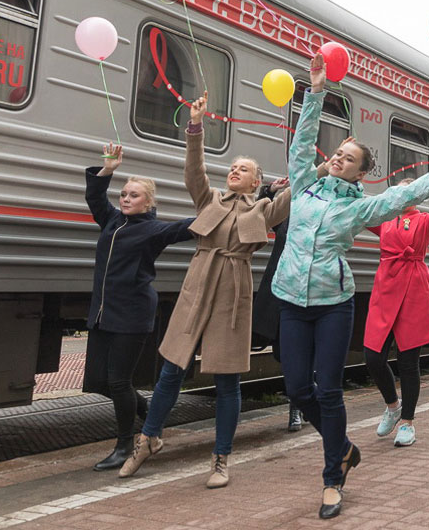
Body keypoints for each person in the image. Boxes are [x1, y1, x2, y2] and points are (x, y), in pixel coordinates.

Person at [272, 52, 429, 520]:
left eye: (349, 159)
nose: (337, 158)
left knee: (328, 391)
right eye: (338, 153)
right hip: (291, 301)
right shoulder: (304, 185)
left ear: (360, 173)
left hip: (333, 304)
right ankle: (343, 447)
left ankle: (333, 478)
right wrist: (315, 91)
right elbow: (302, 145)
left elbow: (410, 193)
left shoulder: (361, 208)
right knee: (297, 389)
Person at [119, 92, 291, 489]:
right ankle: (148, 440)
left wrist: (318, 167)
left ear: (256, 180)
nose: (234, 171)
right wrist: (195, 127)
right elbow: (193, 171)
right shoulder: (208, 198)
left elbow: (296, 191)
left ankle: (221, 458)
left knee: (227, 381)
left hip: (233, 291)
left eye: (243, 168)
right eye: (232, 166)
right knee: (171, 371)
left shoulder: (264, 210)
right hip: (198, 285)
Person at [82, 143, 195, 471]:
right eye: (124, 194)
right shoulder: (112, 221)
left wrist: (223, 209)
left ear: (149, 202)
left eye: (133, 195)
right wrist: (108, 170)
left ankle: (125, 445)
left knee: (118, 381)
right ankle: (153, 420)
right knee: (101, 381)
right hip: (104, 312)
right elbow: (95, 198)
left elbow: (186, 227)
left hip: (132, 314)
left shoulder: (153, 230)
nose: (126, 199)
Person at [363, 174, 429, 447]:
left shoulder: (423, 221)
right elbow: (360, 211)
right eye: (397, 192)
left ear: (416, 196)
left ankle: (408, 422)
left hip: (413, 289)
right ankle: (392, 406)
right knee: (373, 356)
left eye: (407, 192)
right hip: (385, 288)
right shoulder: (384, 220)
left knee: (408, 361)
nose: (400, 197)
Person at [250, 175, 306, 433]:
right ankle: (305, 395)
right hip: (278, 292)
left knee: (296, 352)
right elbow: (258, 214)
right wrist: (269, 190)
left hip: (305, 294)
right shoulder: (285, 218)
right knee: (283, 353)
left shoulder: (321, 219)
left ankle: (297, 406)